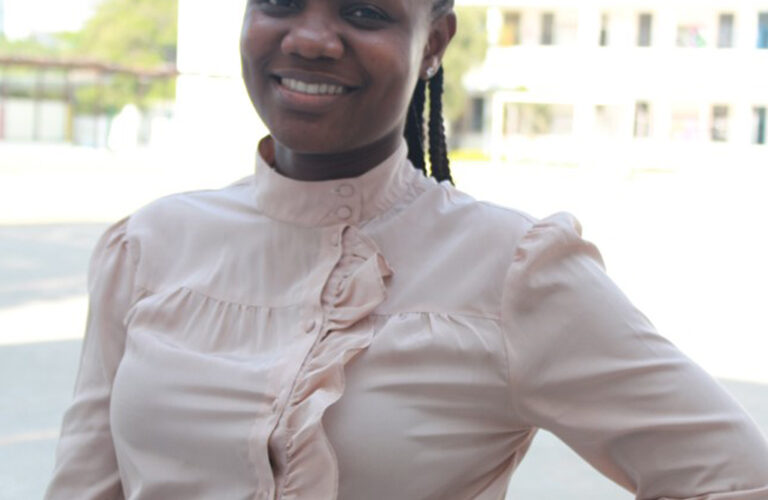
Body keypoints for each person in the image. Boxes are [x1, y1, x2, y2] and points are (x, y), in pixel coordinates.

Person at [46, 0, 768, 498]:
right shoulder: (148, 246)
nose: (311, 38)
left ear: (434, 43)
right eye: (280, 2)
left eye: (364, 13)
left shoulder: (512, 268)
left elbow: (737, 477)